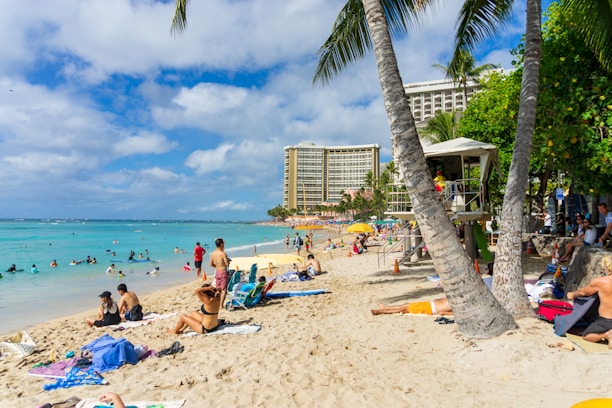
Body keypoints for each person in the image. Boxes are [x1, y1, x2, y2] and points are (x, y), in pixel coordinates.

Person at [566, 256, 612, 346]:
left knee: (587, 335)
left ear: (607, 268)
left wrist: (572, 294)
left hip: (607, 320)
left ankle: (607, 334)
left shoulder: (601, 282)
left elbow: (583, 292)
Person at [371, 297, 453, 316]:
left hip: (430, 308)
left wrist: (444, 312)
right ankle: (385, 308)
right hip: (429, 305)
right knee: (406, 306)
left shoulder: (458, 305)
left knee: (405, 308)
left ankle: (381, 311)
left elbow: (455, 314)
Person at [210, 238, 231, 307]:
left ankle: (217, 303)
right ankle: (221, 305)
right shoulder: (222, 253)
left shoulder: (213, 253)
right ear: (221, 244)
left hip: (217, 271)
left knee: (218, 289)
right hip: (223, 271)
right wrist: (228, 261)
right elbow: (227, 264)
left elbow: (211, 264)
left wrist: (217, 266)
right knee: (224, 289)